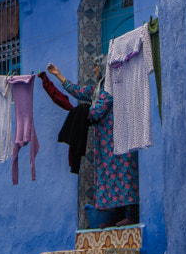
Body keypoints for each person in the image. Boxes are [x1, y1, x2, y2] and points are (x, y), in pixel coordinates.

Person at [46, 62, 139, 225]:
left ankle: (132, 213)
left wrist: (80, 114)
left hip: (118, 137)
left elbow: (100, 108)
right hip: (104, 141)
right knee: (109, 174)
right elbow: (79, 91)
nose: (95, 69)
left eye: (97, 66)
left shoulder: (111, 87)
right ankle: (117, 215)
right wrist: (58, 75)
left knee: (123, 173)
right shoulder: (98, 88)